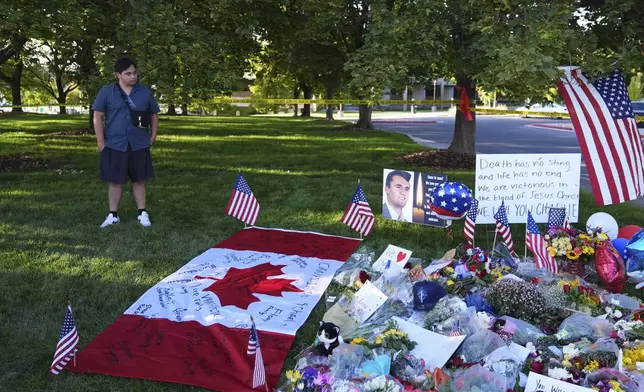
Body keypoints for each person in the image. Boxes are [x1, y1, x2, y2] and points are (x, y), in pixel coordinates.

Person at [93, 56, 160, 228]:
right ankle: (113, 215)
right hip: (115, 143)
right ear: (118, 75)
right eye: (128, 73)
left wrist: (153, 135)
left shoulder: (145, 92)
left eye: (134, 73)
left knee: (139, 179)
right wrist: (101, 142)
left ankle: (142, 213)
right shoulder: (107, 92)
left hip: (139, 143)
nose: (133, 76)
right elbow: (98, 116)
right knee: (115, 181)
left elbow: (153, 114)